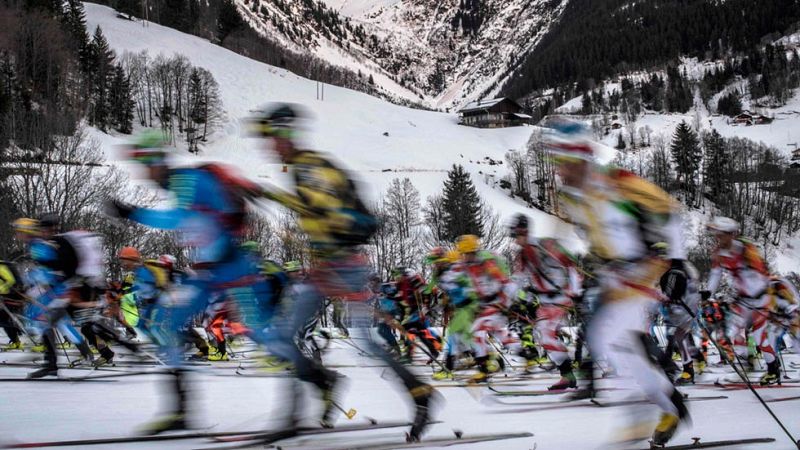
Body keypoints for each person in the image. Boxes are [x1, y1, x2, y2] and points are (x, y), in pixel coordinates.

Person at [251, 103, 437, 441]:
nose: (269, 145)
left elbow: (324, 210)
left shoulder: (307, 167)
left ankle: (314, 394)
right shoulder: (306, 167)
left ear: (285, 134)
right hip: (336, 266)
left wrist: (269, 195)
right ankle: (417, 392)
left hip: (339, 267)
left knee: (286, 335)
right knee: (359, 340)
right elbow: (321, 209)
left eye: (271, 137)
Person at [104, 130, 273, 433]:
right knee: (166, 326)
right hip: (209, 273)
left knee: (256, 330)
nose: (145, 174)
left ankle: (318, 382)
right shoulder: (179, 184)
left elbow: (175, 220)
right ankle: (181, 412)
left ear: (157, 161)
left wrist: (131, 212)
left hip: (235, 266)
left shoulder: (185, 180)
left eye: (146, 165)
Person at [543, 119, 688, 445]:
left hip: (645, 272)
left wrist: (677, 264)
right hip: (616, 279)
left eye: (562, 163)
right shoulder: (577, 199)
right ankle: (669, 404)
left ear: (580, 158)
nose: (559, 172)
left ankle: (651, 410)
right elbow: (584, 236)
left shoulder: (619, 182)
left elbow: (670, 211)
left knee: (605, 337)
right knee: (616, 344)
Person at [701, 217, 778, 384]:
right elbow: (715, 274)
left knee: (759, 337)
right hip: (743, 299)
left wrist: (757, 294)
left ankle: (773, 369)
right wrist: (708, 292)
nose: (718, 239)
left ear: (731, 234)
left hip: (760, 298)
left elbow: (761, 274)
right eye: (716, 235)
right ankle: (745, 364)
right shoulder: (718, 253)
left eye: (721, 235)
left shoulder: (745, 249)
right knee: (734, 330)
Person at [510, 214, 582, 390]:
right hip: (545, 301)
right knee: (544, 337)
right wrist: (517, 300)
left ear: (524, 232)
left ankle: (570, 372)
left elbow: (571, 265)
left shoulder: (545, 246)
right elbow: (518, 280)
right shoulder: (522, 256)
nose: (515, 240)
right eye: (513, 236)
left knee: (546, 333)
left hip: (560, 297)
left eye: (516, 235)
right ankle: (568, 372)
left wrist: (575, 291)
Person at [456, 234, 517, 383]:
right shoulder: (468, 266)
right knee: (498, 334)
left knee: (477, 332)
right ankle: (526, 353)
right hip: (486, 304)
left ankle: (484, 371)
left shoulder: (486, 263)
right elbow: (474, 287)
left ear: (472, 251)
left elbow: (503, 281)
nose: (464, 257)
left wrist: (507, 303)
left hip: (497, 302)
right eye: (462, 254)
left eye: (466, 254)